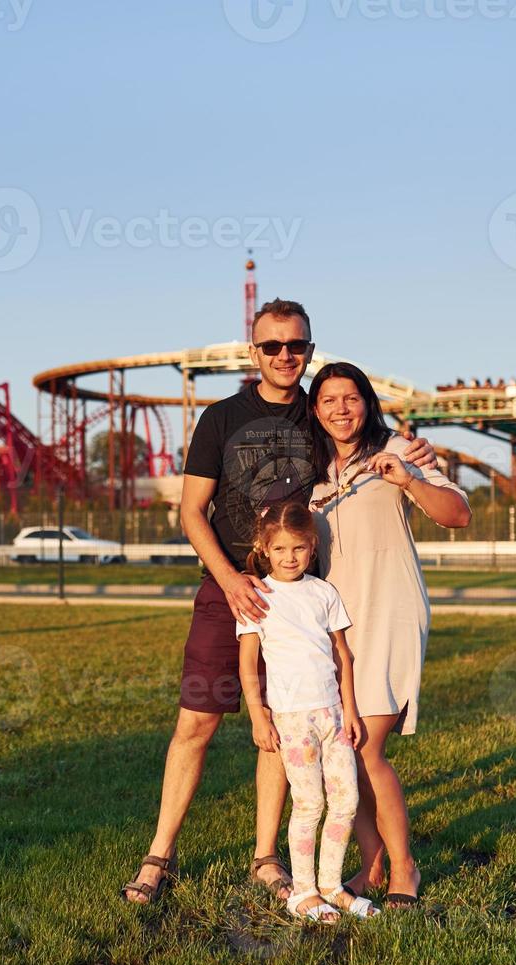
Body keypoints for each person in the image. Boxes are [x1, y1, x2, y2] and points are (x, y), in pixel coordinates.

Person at [121, 301, 437, 905]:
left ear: (309, 350)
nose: (285, 356)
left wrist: (414, 455)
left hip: (301, 602)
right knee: (197, 721)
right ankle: (159, 854)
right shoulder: (219, 417)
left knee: (285, 722)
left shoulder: (322, 415)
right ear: (253, 352)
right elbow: (191, 512)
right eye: (272, 346)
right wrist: (232, 580)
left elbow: (367, 438)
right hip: (230, 591)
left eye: (296, 346)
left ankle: (266, 857)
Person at [305, 361, 470, 909]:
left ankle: (403, 868)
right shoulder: (310, 469)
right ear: (315, 409)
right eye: (328, 400)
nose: (340, 410)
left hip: (392, 609)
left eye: (350, 398)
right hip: (334, 623)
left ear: (367, 402)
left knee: (364, 747)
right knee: (342, 754)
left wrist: (412, 479)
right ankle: (372, 864)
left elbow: (458, 515)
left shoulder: (399, 450)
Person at [235, 499, 380, 922]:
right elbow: (247, 666)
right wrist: (259, 716)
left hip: (332, 716)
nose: (289, 557)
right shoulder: (259, 598)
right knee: (309, 803)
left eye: (297, 548)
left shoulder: (323, 593)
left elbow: (343, 657)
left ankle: (332, 886)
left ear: (311, 547)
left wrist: (350, 711)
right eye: (279, 549)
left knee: (345, 800)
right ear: (264, 548)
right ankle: (303, 892)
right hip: (292, 719)